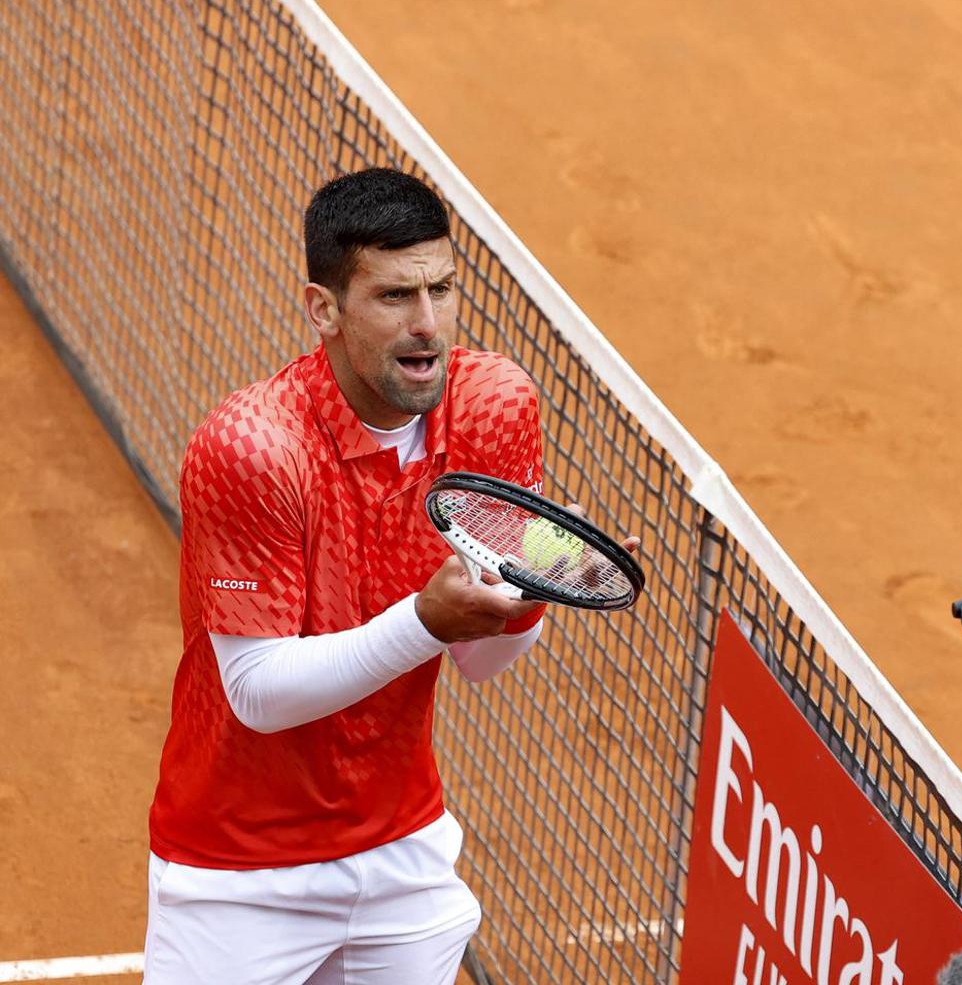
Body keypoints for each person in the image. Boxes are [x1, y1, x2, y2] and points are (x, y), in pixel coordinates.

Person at [143, 168, 635, 984]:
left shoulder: (492, 405)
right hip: (238, 871)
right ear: (323, 309)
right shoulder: (252, 450)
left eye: (441, 289)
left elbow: (479, 662)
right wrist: (426, 622)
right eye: (395, 296)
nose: (429, 325)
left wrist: (529, 594)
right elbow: (258, 693)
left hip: (402, 849)